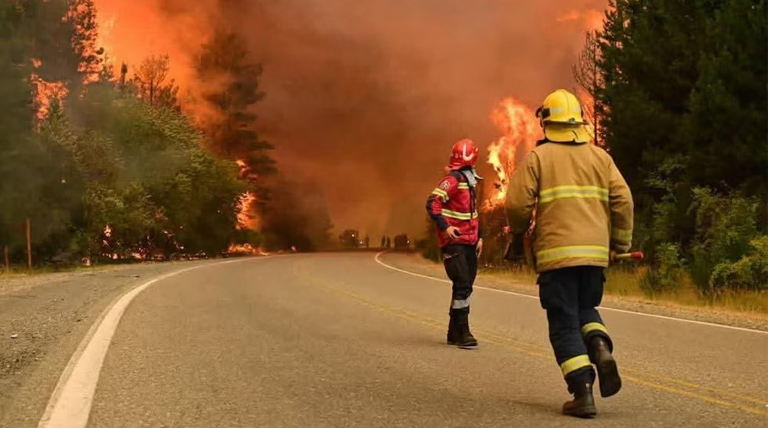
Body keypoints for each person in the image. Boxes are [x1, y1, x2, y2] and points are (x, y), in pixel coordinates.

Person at [506, 89, 634, 417]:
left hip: (556, 257)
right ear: (578, 121)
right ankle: (600, 346)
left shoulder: (539, 158)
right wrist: (619, 243)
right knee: (585, 307)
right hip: (594, 257)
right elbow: (623, 201)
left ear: (547, 122)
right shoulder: (600, 157)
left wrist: (518, 233)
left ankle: (582, 392)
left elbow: (517, 205)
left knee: (563, 322)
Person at [426, 138, 484, 348]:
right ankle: (464, 332)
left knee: (465, 287)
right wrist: (446, 227)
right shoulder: (452, 179)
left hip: (469, 241)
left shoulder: (470, 181)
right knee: (462, 285)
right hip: (455, 242)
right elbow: (433, 202)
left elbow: (474, 213)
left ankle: (453, 332)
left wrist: (480, 237)